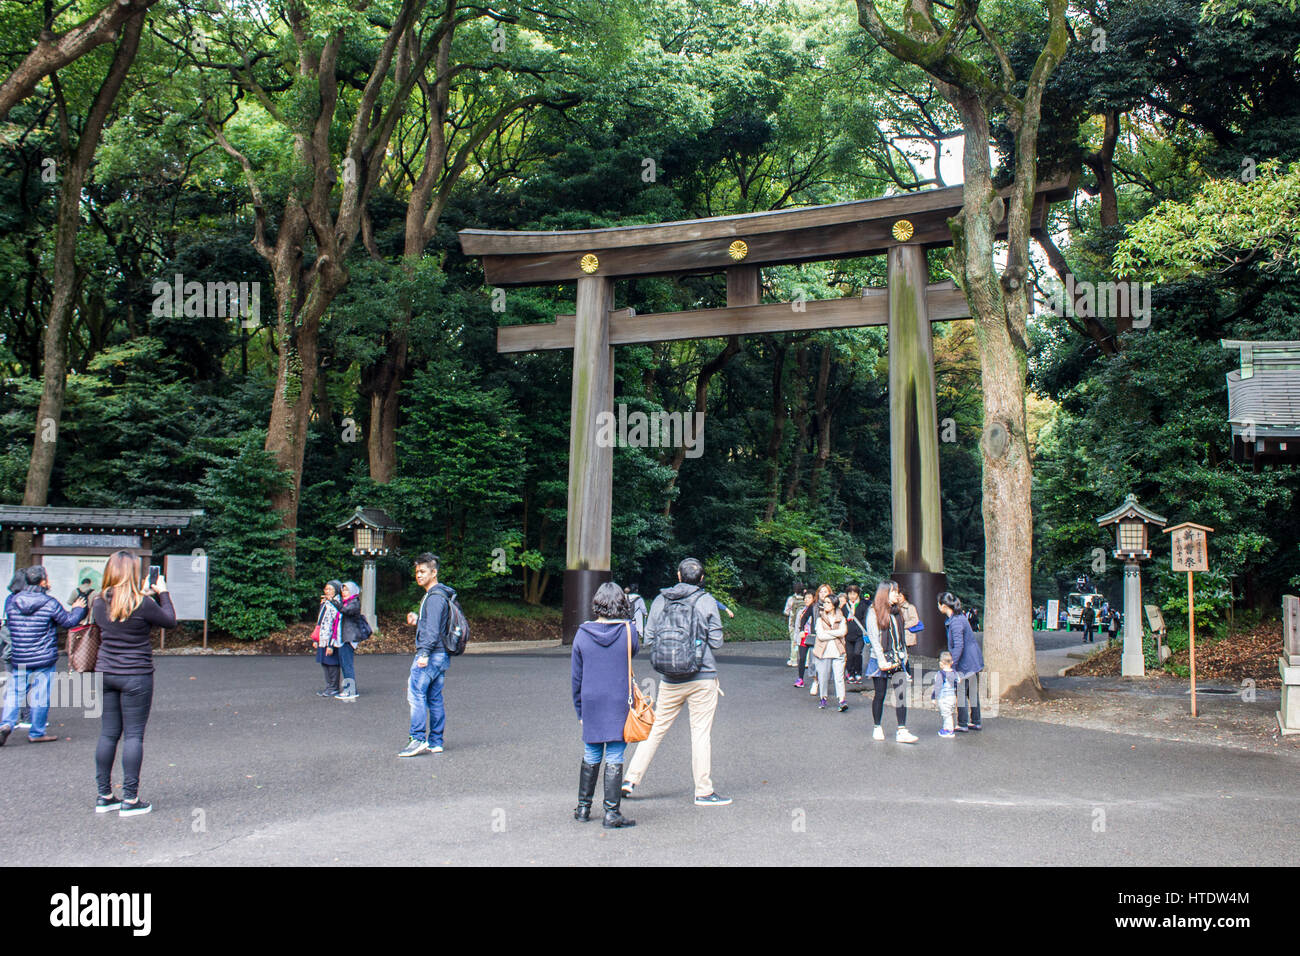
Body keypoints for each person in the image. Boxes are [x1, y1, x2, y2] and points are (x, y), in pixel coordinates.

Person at [622, 557, 730, 807]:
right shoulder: (706, 601)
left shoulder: (661, 600)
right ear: (702, 580)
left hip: (669, 679)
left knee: (656, 729)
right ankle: (703, 791)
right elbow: (717, 643)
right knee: (700, 734)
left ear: (679, 576)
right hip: (702, 678)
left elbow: (648, 637)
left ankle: (630, 779)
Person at [90, 551, 177, 815]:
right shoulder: (143, 603)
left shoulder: (97, 601)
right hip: (136, 674)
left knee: (108, 734)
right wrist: (163, 592)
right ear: (133, 573)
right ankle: (130, 798)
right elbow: (170, 621)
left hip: (105, 672)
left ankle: (104, 795)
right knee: (134, 735)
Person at [570, 582, 639, 828]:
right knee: (615, 755)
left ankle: (583, 808)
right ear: (622, 604)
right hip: (618, 699)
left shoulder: (582, 633)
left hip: (591, 701)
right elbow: (634, 653)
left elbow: (576, 677)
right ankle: (611, 813)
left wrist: (579, 709)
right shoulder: (629, 631)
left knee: (591, 753)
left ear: (596, 603)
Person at [0, 565, 87, 746]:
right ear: (42, 582)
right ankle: (37, 732)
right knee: (40, 694)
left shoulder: (12, 601)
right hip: (43, 657)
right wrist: (78, 608)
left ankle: (6, 724)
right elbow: (69, 621)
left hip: (20, 656)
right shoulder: (49, 602)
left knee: (15, 693)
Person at [399, 553, 455, 757]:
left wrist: (423, 653)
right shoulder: (441, 596)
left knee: (415, 693)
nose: (418, 575)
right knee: (434, 698)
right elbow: (435, 625)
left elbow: (432, 631)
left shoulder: (434, 597)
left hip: (431, 654)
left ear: (434, 572)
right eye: (417, 572)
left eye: (423, 571)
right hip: (441, 654)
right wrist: (418, 620)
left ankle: (418, 739)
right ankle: (436, 741)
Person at [864, 580, 917, 743]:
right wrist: (881, 661)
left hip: (897, 657)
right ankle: (877, 726)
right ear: (885, 593)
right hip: (880, 658)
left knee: (901, 693)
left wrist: (904, 658)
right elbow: (874, 638)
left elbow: (900, 639)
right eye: (894, 592)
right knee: (880, 694)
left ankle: (902, 729)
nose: (897, 595)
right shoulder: (873, 611)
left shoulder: (897, 611)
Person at [938, 591, 984, 732]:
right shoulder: (960, 617)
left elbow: (958, 645)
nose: (938, 606)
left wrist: (953, 665)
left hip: (965, 662)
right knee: (972, 692)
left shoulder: (956, 622)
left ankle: (962, 723)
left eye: (938, 604)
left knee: (962, 692)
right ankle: (976, 721)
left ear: (944, 606)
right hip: (973, 660)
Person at [811, 593, 849, 712]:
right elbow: (821, 636)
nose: (825, 605)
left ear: (834, 605)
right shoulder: (819, 619)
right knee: (823, 677)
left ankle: (842, 700)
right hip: (823, 652)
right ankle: (823, 697)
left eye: (828, 602)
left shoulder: (841, 618)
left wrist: (830, 633)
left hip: (838, 651)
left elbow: (843, 632)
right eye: (825, 602)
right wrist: (835, 633)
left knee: (839, 677)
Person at [312, 580, 344, 697]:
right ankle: (329, 686)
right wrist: (316, 639)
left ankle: (334, 687)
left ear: (336, 591)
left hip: (332, 639)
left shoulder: (338, 604)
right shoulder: (325, 604)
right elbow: (320, 622)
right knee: (324, 663)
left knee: (332, 663)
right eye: (326, 589)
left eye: (330, 589)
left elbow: (335, 625)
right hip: (322, 637)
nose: (327, 591)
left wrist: (331, 644)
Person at [336, 581, 365, 700]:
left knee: (347, 665)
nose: (344, 592)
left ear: (353, 591)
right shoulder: (347, 602)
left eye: (347, 590)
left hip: (349, 639)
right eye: (343, 590)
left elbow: (345, 611)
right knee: (344, 664)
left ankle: (351, 690)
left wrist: (334, 603)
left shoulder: (354, 603)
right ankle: (348, 689)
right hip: (343, 638)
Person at [843, 584, 867, 684]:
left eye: (854, 594)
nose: (852, 596)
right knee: (849, 655)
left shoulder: (862, 605)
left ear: (858, 594)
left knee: (857, 653)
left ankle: (858, 672)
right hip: (847, 634)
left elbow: (865, 619)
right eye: (850, 594)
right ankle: (851, 673)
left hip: (859, 635)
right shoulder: (845, 606)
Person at [793, 589, 817, 688]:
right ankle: (800, 678)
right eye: (806, 597)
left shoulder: (816, 610)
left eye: (809, 597)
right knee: (802, 658)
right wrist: (796, 638)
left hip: (813, 637)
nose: (807, 599)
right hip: (803, 637)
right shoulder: (801, 611)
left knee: (813, 660)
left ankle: (816, 679)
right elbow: (797, 625)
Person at [783, 584, 805, 666]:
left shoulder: (791, 599)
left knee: (794, 641)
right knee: (804, 642)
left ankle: (794, 660)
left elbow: (786, 612)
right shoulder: (806, 599)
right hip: (804, 625)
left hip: (793, 624)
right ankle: (806, 661)